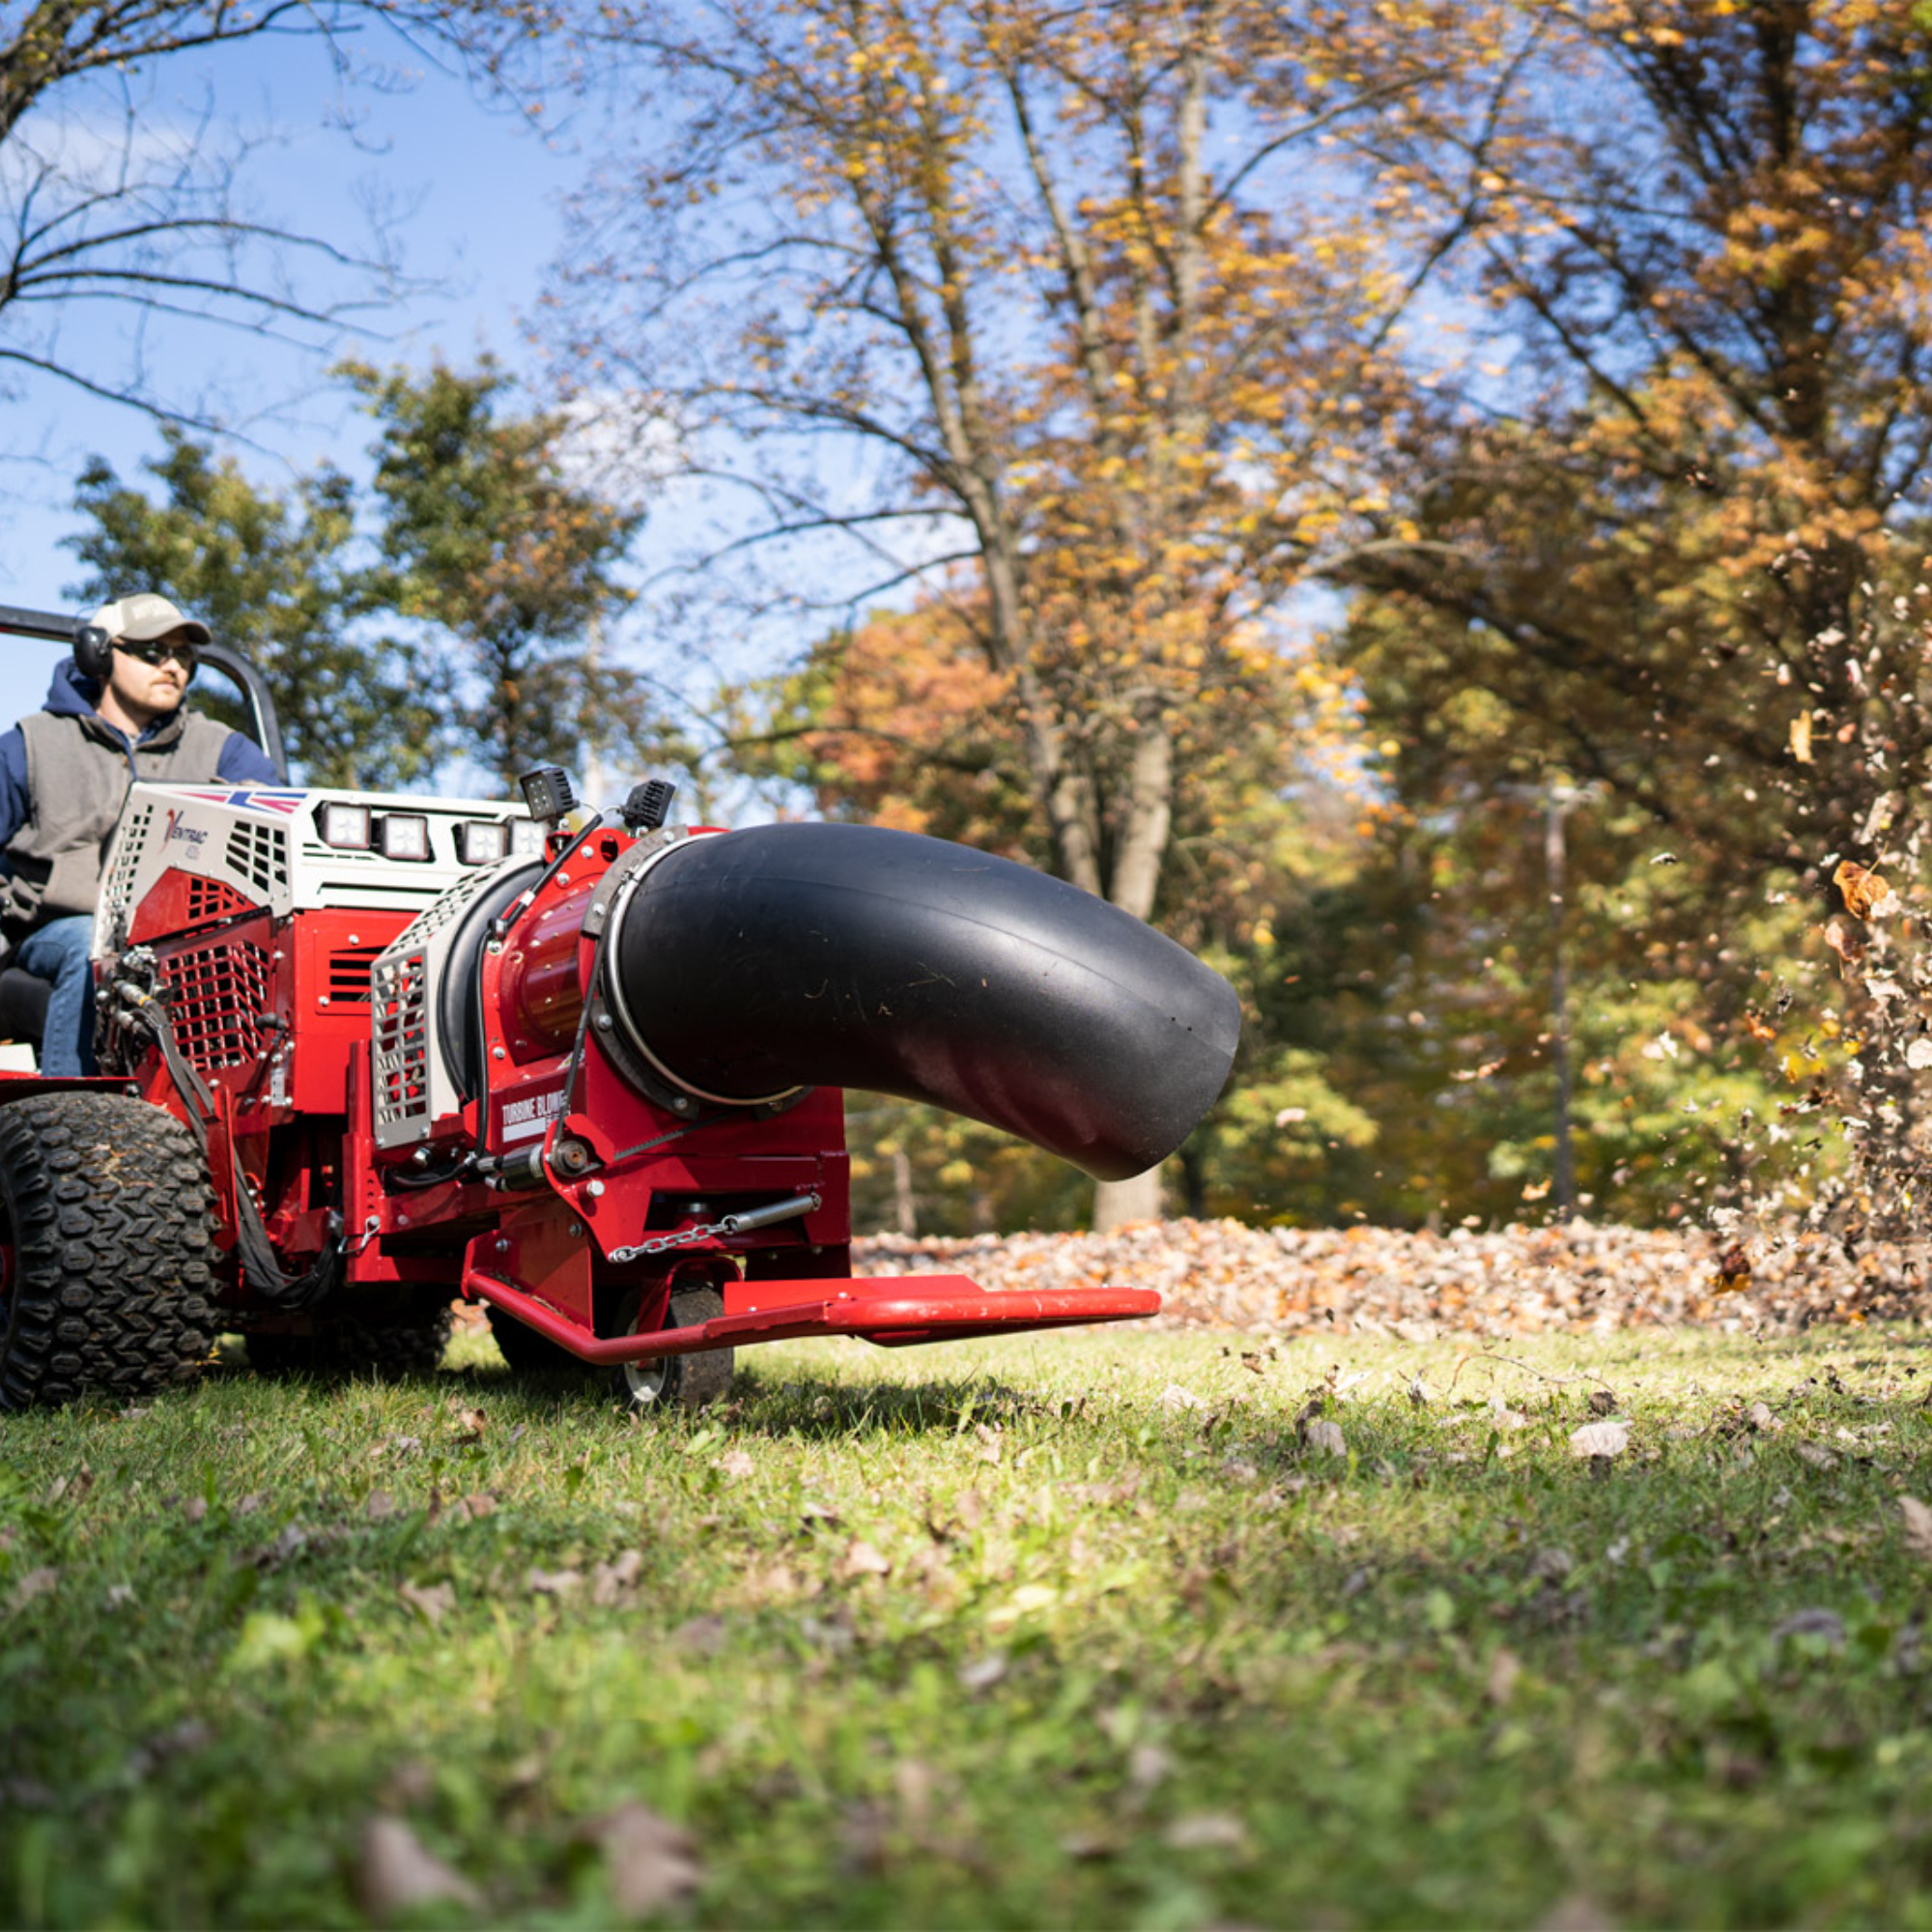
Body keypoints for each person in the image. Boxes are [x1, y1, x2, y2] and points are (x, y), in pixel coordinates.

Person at [0, 593, 278, 1074]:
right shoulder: (34, 744)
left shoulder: (223, 751)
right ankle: (71, 1125)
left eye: (185, 657)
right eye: (153, 652)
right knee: (92, 946)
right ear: (100, 654)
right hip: (57, 928)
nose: (172, 667)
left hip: (185, 935)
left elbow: (276, 826)